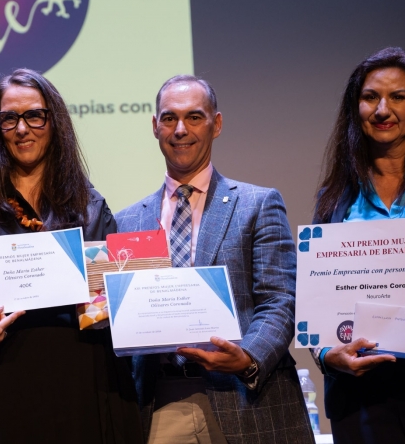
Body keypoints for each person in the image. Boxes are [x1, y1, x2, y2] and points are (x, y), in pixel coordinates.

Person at [0, 68, 143, 444]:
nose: (22, 128)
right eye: (9, 118)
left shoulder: (90, 207)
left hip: (82, 382)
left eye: (34, 115)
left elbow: (114, 301)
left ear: (54, 122)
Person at [116, 75, 314, 444]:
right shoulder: (126, 221)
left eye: (194, 117)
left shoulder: (257, 204)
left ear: (216, 124)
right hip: (157, 406)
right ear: (155, 126)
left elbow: (280, 300)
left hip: (245, 400)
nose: (180, 130)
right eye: (169, 118)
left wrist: (248, 357)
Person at [311, 47, 405, 443]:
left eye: (398, 97)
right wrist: (326, 355)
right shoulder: (336, 197)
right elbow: (318, 296)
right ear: (356, 107)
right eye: (371, 96)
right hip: (360, 394)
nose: (382, 109)